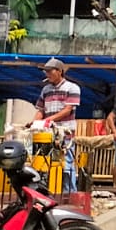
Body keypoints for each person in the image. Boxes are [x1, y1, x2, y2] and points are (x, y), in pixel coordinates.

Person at [34, 58, 82, 192]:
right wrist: (35, 123)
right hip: (48, 134)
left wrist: (48, 121)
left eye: (50, 71)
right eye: (46, 71)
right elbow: (40, 110)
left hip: (65, 133)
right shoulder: (46, 89)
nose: (47, 74)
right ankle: (52, 191)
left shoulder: (72, 88)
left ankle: (70, 193)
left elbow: (67, 110)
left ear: (60, 71)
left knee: (66, 164)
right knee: (48, 163)